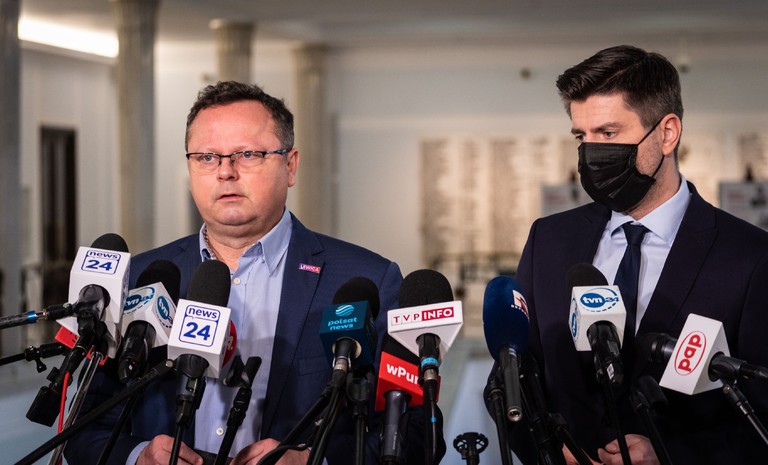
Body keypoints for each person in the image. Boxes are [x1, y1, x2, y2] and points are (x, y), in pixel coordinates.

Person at [64, 81, 434, 465]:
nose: (225, 172)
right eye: (207, 157)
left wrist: (316, 461)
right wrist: (136, 456)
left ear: (290, 165)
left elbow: (418, 434)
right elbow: (83, 428)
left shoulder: (368, 282)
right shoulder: (143, 278)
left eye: (248, 154)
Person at [514, 45, 768, 465]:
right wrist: (550, 450)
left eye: (608, 134)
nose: (590, 153)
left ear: (667, 133)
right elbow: (514, 377)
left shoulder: (750, 258)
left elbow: (761, 419)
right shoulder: (549, 241)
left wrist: (668, 456)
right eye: (581, 136)